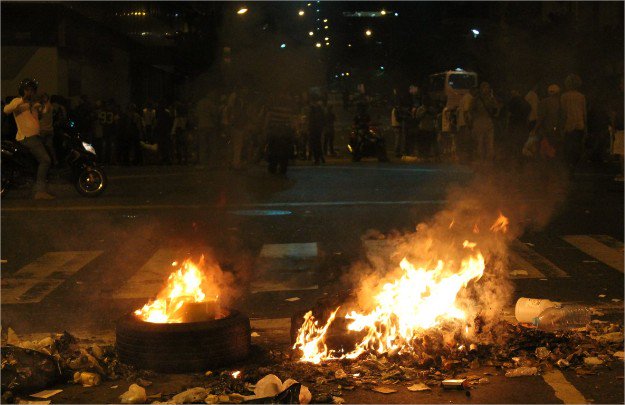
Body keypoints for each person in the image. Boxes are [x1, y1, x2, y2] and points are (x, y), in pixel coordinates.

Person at [3, 78, 54, 199]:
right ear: (23, 90)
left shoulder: (33, 104)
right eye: (28, 90)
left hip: (36, 138)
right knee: (45, 160)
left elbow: (45, 111)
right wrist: (22, 99)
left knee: (37, 163)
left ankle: (35, 186)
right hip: (27, 138)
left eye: (32, 90)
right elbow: (6, 110)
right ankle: (40, 192)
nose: (30, 92)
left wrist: (45, 101)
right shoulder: (18, 101)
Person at [560, 74, 587, 173]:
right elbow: (584, 112)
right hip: (579, 124)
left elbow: (563, 112)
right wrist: (586, 127)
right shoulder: (581, 96)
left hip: (569, 124)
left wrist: (561, 127)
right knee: (577, 146)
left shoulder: (564, 96)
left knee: (568, 146)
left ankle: (569, 166)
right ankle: (574, 165)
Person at [264, 94, 295, 175]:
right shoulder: (288, 110)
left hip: (274, 132)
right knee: (285, 154)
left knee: (272, 152)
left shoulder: (272, 109)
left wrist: (265, 129)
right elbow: (291, 123)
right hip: (284, 134)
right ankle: (282, 169)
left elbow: (267, 120)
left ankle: (272, 168)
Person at [534, 84, 563, 161]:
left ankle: (544, 167)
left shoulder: (544, 102)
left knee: (543, 151)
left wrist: (534, 129)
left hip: (545, 130)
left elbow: (540, 118)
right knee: (553, 150)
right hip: (556, 130)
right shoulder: (560, 102)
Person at [471, 82, 498, 162]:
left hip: (485, 122)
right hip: (481, 121)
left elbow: (496, 109)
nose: (487, 89)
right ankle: (482, 160)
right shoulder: (477, 99)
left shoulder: (488, 98)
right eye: (486, 88)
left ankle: (486, 161)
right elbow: (471, 111)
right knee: (482, 143)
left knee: (487, 144)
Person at [505, 89, 531, 164]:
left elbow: (508, 113)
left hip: (514, 126)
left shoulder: (513, 101)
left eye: (513, 92)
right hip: (523, 126)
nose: (512, 94)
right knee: (520, 145)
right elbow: (528, 112)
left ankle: (513, 163)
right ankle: (520, 162)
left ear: (517, 92)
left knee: (513, 145)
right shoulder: (525, 102)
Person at [37, 93, 58, 167]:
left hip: (43, 130)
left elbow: (41, 115)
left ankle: (44, 162)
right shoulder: (51, 106)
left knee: (42, 148)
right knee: (50, 147)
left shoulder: (43, 106)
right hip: (50, 129)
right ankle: (55, 161)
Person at [457, 87, 476, 162]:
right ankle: (467, 159)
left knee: (463, 142)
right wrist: (469, 124)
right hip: (466, 124)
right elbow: (466, 111)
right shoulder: (469, 98)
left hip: (462, 123)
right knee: (468, 142)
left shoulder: (464, 97)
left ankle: (462, 159)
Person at [308, 97, 325, 165]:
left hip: (314, 129)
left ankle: (317, 158)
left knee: (314, 144)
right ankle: (320, 158)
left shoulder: (313, 110)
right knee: (318, 144)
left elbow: (311, 120)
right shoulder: (319, 110)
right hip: (318, 129)